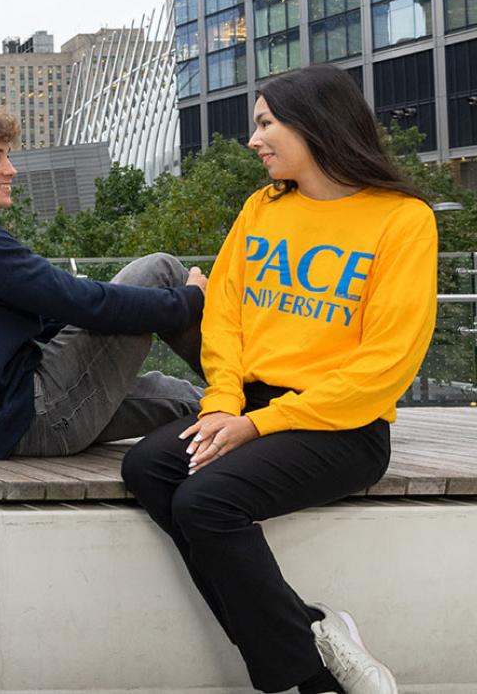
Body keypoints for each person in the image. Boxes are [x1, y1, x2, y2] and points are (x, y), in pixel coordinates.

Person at [122, 65, 434, 694]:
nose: (253, 139)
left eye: (265, 122)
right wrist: (220, 405)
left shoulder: (402, 221)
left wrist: (257, 423)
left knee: (207, 502)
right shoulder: (262, 209)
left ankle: (299, 684)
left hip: (342, 423)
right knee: (148, 469)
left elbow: (387, 363)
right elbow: (227, 318)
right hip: (252, 407)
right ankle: (311, 630)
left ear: (315, 124)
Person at [0, 101, 207, 459]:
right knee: (159, 271)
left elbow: (50, 318)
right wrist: (189, 300)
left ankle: (256, 409)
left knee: (190, 403)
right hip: (34, 416)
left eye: (7, 157)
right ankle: (255, 388)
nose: (10, 170)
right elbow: (82, 302)